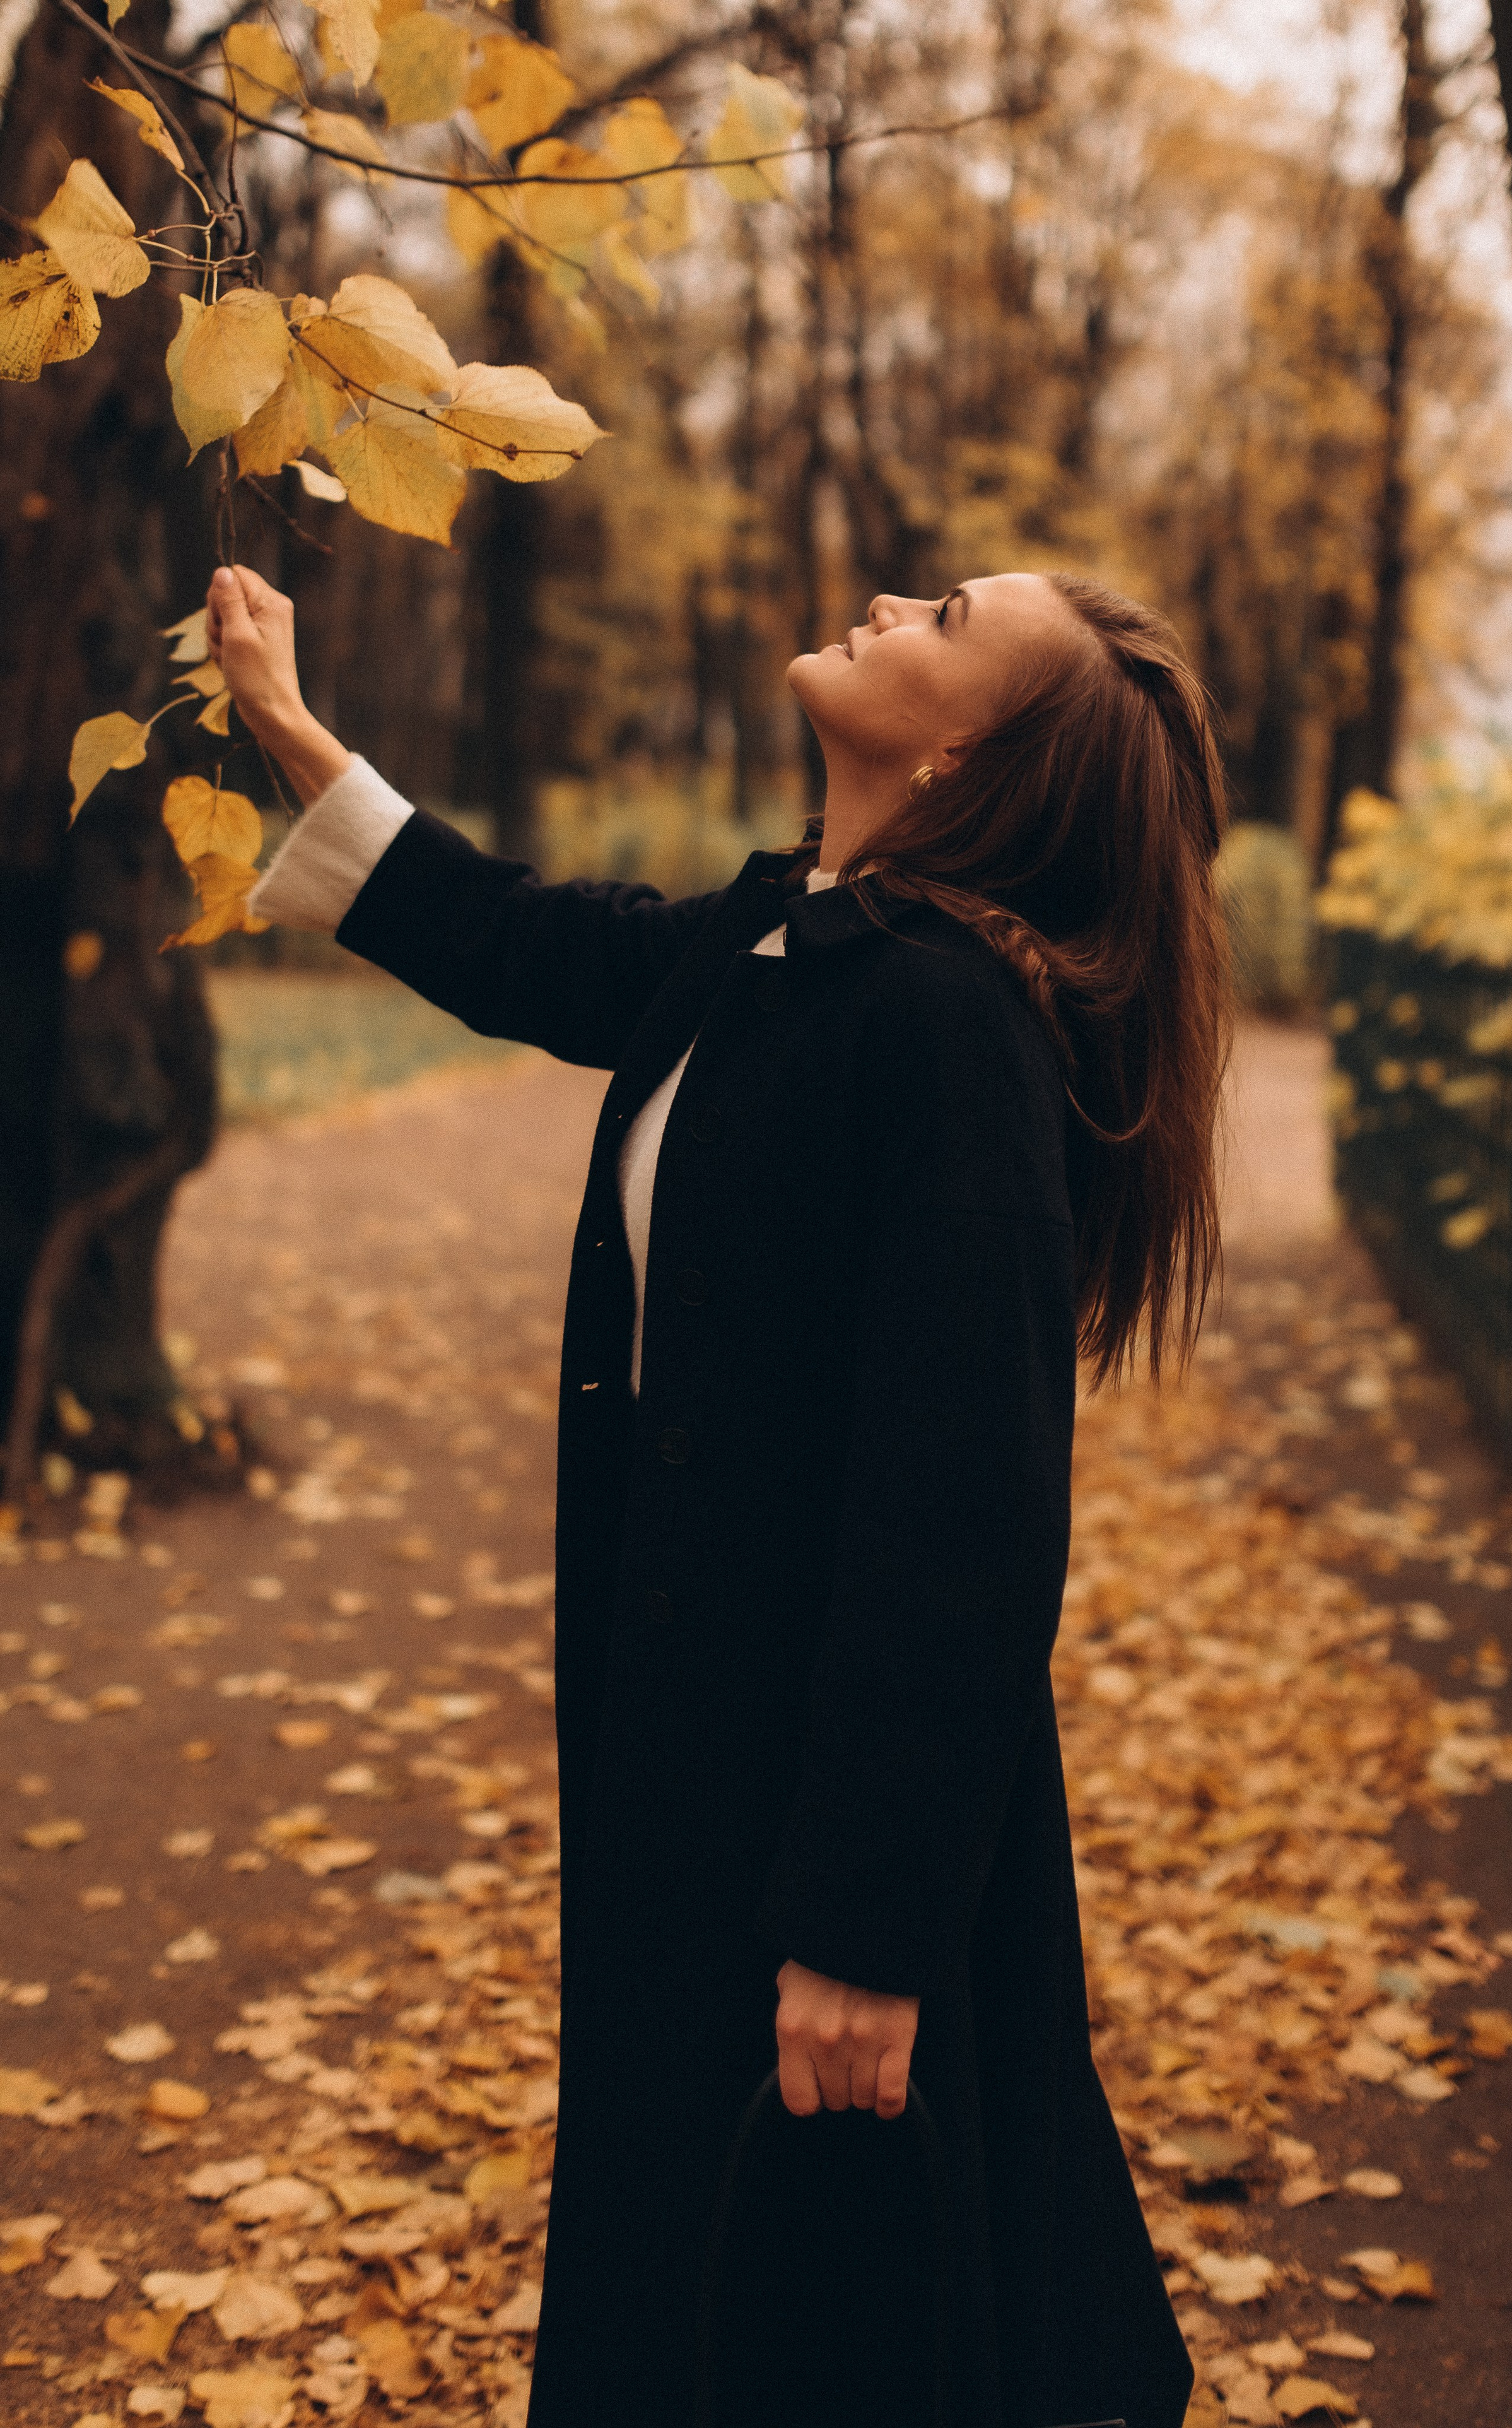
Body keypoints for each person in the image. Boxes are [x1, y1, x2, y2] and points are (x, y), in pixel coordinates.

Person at [208, 558, 1228, 2428]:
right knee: (710, 2285)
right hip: (699, 1759)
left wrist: (865, 1932)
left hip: (824, 1816)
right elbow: (527, 940)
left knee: (848, 2326)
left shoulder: (947, 1027)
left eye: (942, 625)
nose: (897, 595)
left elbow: (970, 1521)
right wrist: (288, 727)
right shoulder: (795, 941)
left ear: (966, 755)